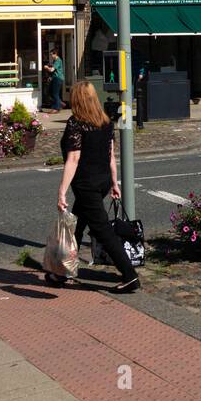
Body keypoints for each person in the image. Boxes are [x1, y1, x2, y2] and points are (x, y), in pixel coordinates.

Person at [54, 80, 138, 293]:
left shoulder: (76, 123)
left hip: (87, 185)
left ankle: (130, 276)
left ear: (77, 100)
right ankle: (62, 271)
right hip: (101, 183)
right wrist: (114, 182)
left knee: (101, 230)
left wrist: (61, 191)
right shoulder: (105, 122)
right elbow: (110, 155)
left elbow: (73, 159)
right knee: (77, 227)